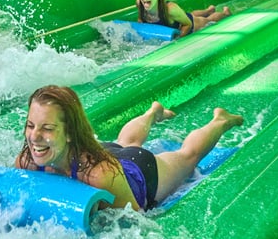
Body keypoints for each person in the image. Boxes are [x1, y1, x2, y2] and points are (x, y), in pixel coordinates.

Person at [15, 85, 244, 212]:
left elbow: (137, 219)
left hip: (138, 172)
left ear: (69, 134)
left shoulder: (100, 175)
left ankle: (221, 120)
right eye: (30, 125)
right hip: (102, 154)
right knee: (124, 143)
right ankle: (151, 113)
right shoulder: (29, 159)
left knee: (187, 156)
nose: (34, 137)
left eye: (47, 128)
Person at [136, 0, 231, 37]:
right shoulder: (140, 3)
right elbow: (141, 19)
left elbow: (188, 24)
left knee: (207, 20)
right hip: (179, 17)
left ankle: (224, 13)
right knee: (190, 14)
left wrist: (177, 40)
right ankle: (208, 10)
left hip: (187, 25)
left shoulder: (170, 9)